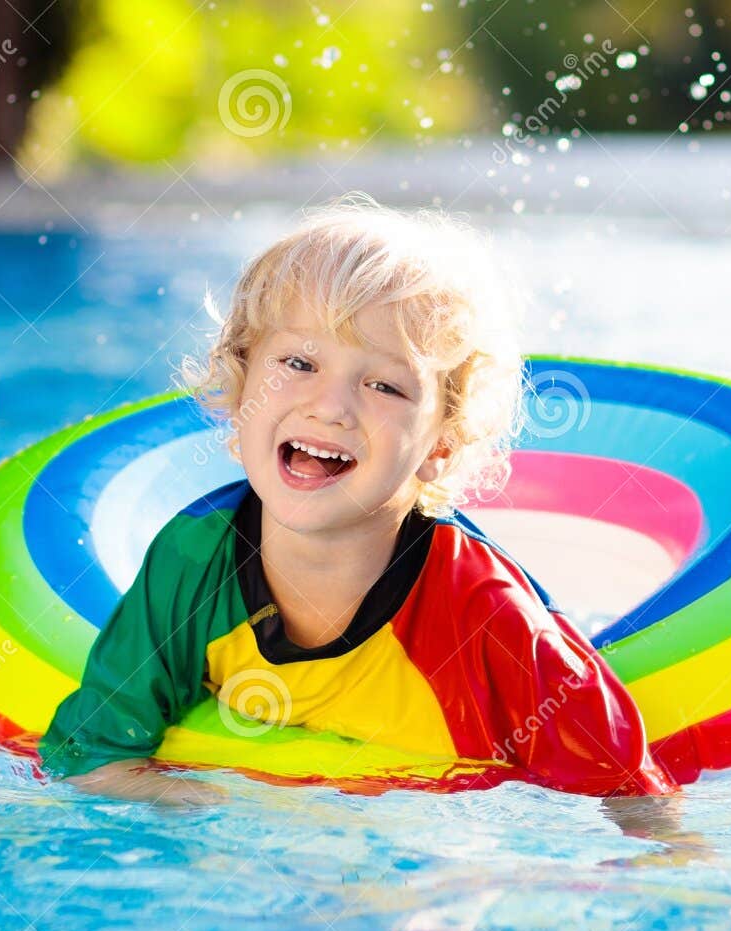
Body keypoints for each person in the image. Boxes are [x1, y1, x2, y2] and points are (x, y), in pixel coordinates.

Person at [39, 194, 672, 801]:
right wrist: (225, 815)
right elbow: (89, 755)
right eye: (299, 363)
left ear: (439, 445)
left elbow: (627, 795)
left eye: (384, 386)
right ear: (240, 385)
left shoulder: (488, 620)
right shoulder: (191, 563)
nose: (331, 406)